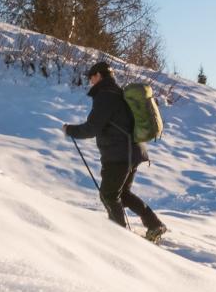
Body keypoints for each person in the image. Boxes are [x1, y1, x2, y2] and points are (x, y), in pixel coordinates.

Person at [64, 61, 168, 242]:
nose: (90, 81)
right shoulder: (117, 93)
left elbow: (93, 127)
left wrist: (70, 130)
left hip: (119, 154)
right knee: (123, 194)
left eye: (91, 77)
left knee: (109, 195)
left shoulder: (105, 96)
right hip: (132, 151)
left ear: (99, 76)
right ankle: (154, 225)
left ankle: (119, 239)